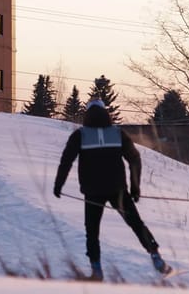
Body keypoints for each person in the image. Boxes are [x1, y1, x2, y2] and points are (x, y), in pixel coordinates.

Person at [53, 99, 171, 281]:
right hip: (118, 189)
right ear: (105, 113)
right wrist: (135, 187)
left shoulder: (80, 135)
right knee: (136, 224)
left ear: (87, 114)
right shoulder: (117, 133)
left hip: (93, 191)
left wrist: (58, 184)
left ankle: (96, 271)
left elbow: (66, 160)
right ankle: (156, 257)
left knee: (92, 232)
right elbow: (134, 159)